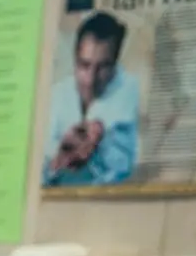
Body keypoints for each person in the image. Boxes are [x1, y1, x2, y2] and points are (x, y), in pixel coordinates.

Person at [45, 10, 140, 187]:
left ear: (115, 63)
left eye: (103, 67)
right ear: (75, 60)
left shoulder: (131, 92)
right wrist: (62, 153)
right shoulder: (56, 96)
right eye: (84, 65)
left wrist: (100, 144)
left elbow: (127, 167)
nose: (91, 79)